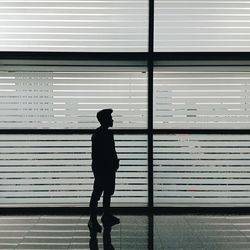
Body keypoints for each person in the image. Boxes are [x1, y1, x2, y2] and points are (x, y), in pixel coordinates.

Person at [88, 109, 120, 232]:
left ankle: (100, 217)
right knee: (100, 193)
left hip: (105, 168)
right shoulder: (101, 134)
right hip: (104, 168)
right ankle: (96, 218)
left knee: (104, 192)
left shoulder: (100, 134)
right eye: (110, 118)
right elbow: (104, 153)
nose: (112, 120)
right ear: (105, 119)